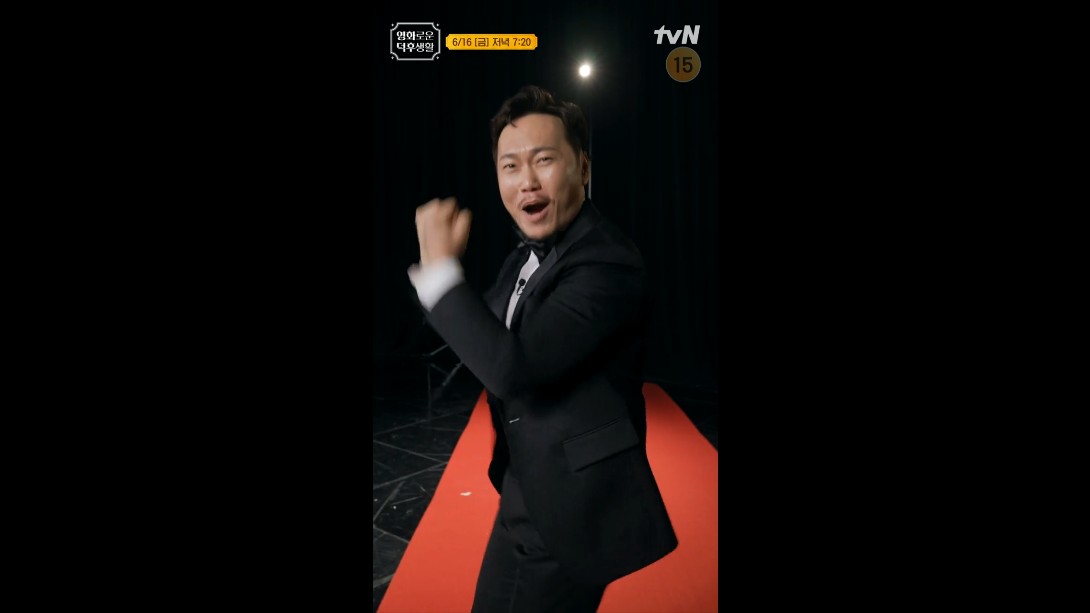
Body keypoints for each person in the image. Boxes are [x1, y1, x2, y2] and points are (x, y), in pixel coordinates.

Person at [408, 85, 677, 613]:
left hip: (574, 508)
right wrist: (441, 278)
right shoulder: (524, 258)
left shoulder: (607, 262)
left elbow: (513, 367)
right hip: (527, 488)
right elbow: (480, 334)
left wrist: (440, 273)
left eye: (544, 160)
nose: (526, 180)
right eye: (510, 166)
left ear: (583, 167)